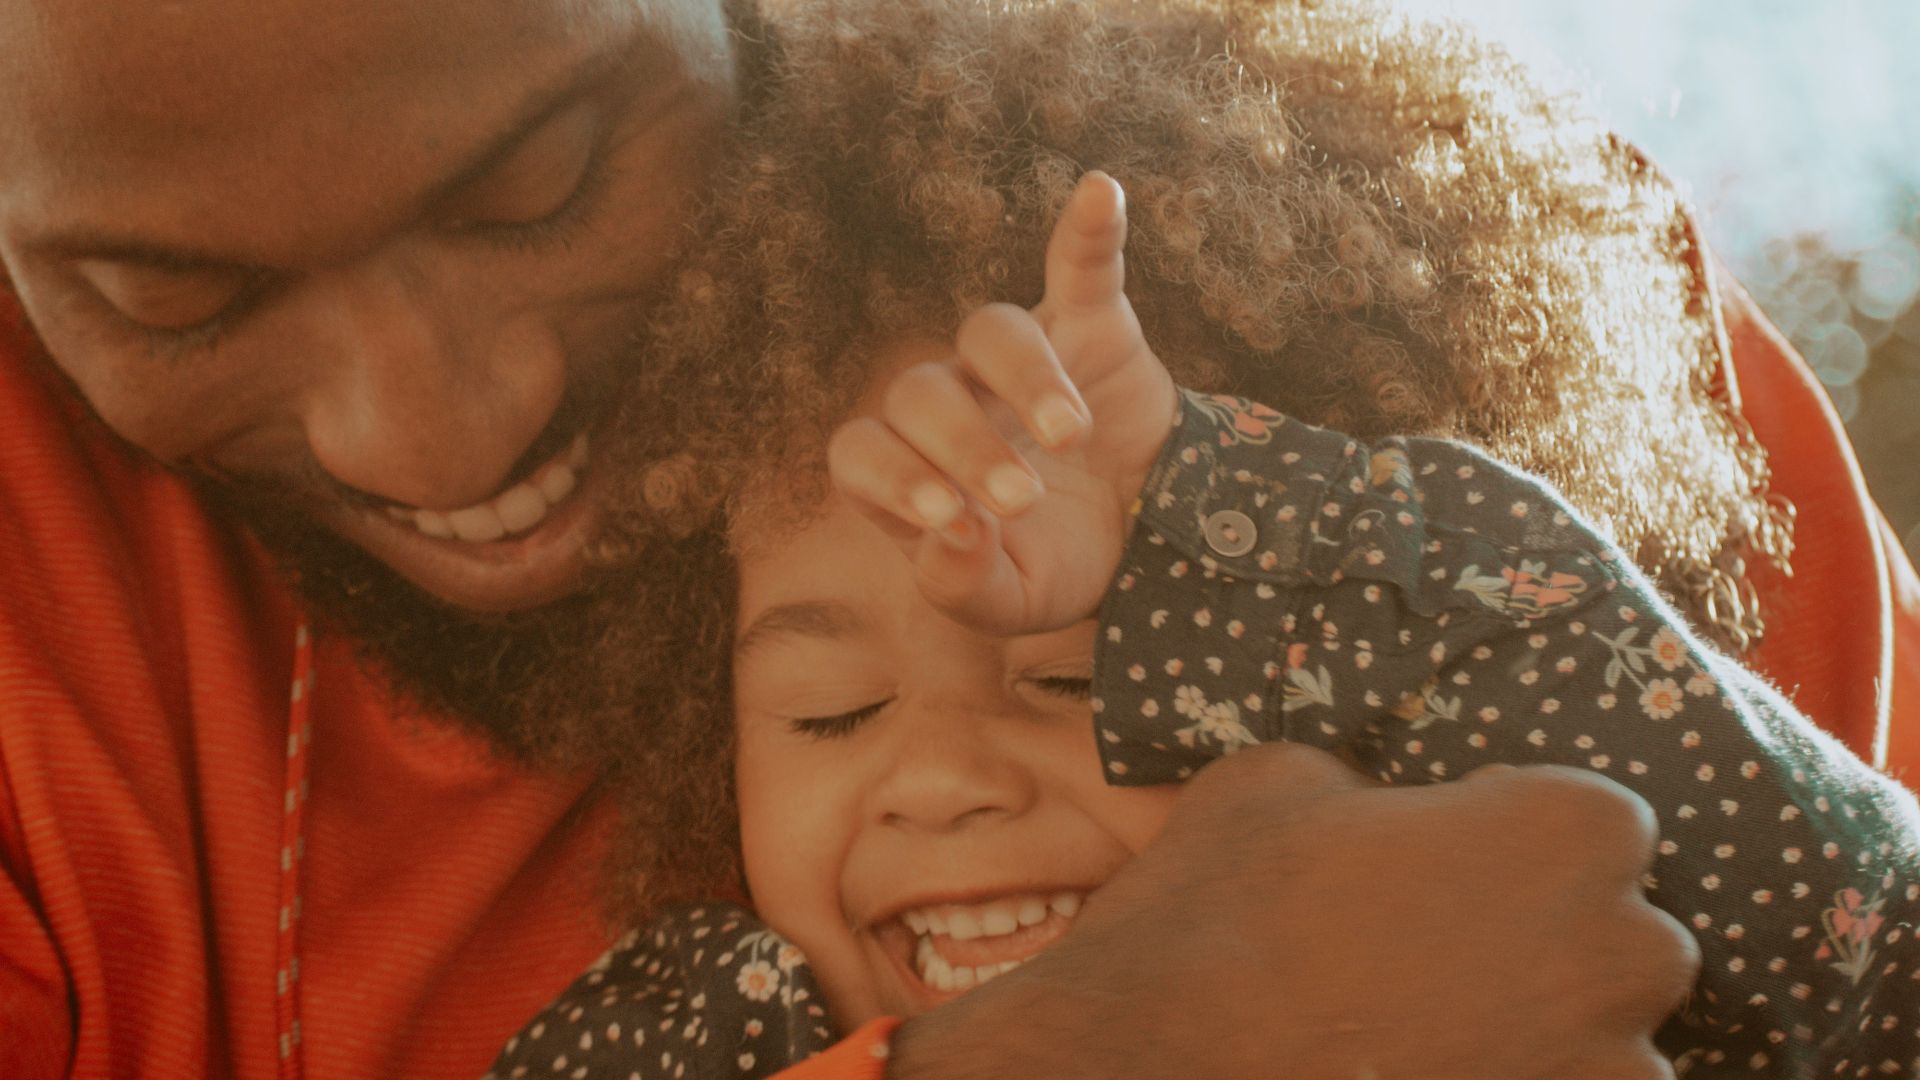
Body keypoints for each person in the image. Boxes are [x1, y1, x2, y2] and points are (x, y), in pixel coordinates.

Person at [0, 0, 1910, 1077]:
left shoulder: (1371, 269)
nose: (437, 427)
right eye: (169, 299)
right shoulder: (696, 1022)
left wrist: (1264, 516)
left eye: (542, 186)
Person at [487, 161, 1918, 1077]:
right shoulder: (702, 1030)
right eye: (830, 713)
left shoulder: (1566, 964)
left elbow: (1870, 947)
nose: (940, 780)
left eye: (1073, 679)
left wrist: (1235, 512)